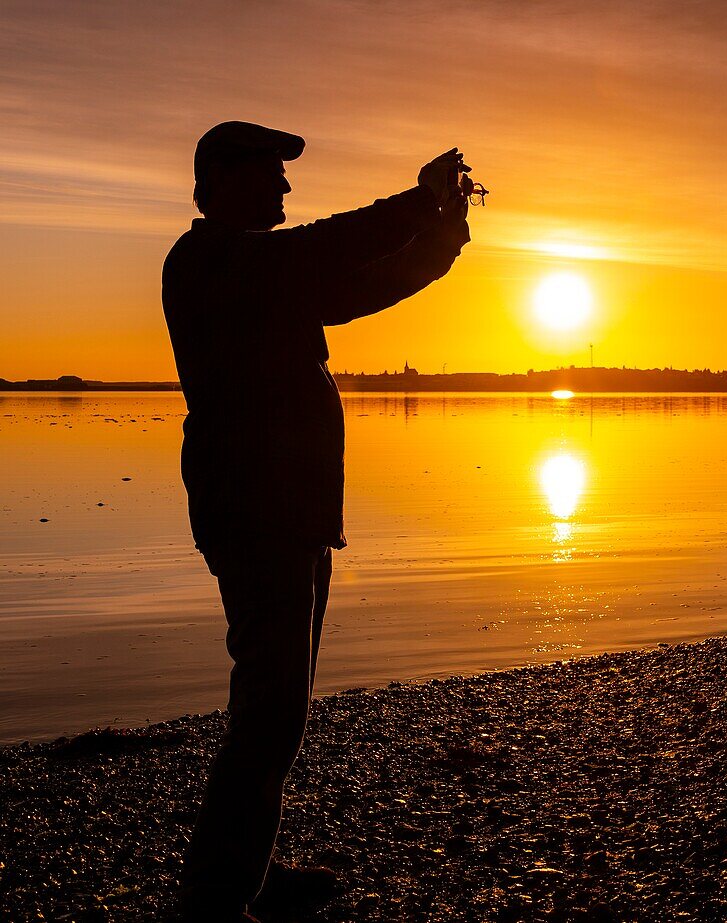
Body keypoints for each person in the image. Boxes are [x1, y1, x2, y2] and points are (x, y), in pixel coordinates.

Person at [162, 120, 472, 922]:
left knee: (281, 702)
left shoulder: (263, 272)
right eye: (272, 175)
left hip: (292, 513)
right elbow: (324, 252)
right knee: (268, 704)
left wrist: (441, 242)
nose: (287, 191)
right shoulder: (210, 261)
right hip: (254, 514)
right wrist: (417, 197)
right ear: (223, 178)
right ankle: (215, 898)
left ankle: (247, 871)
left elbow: (355, 286)